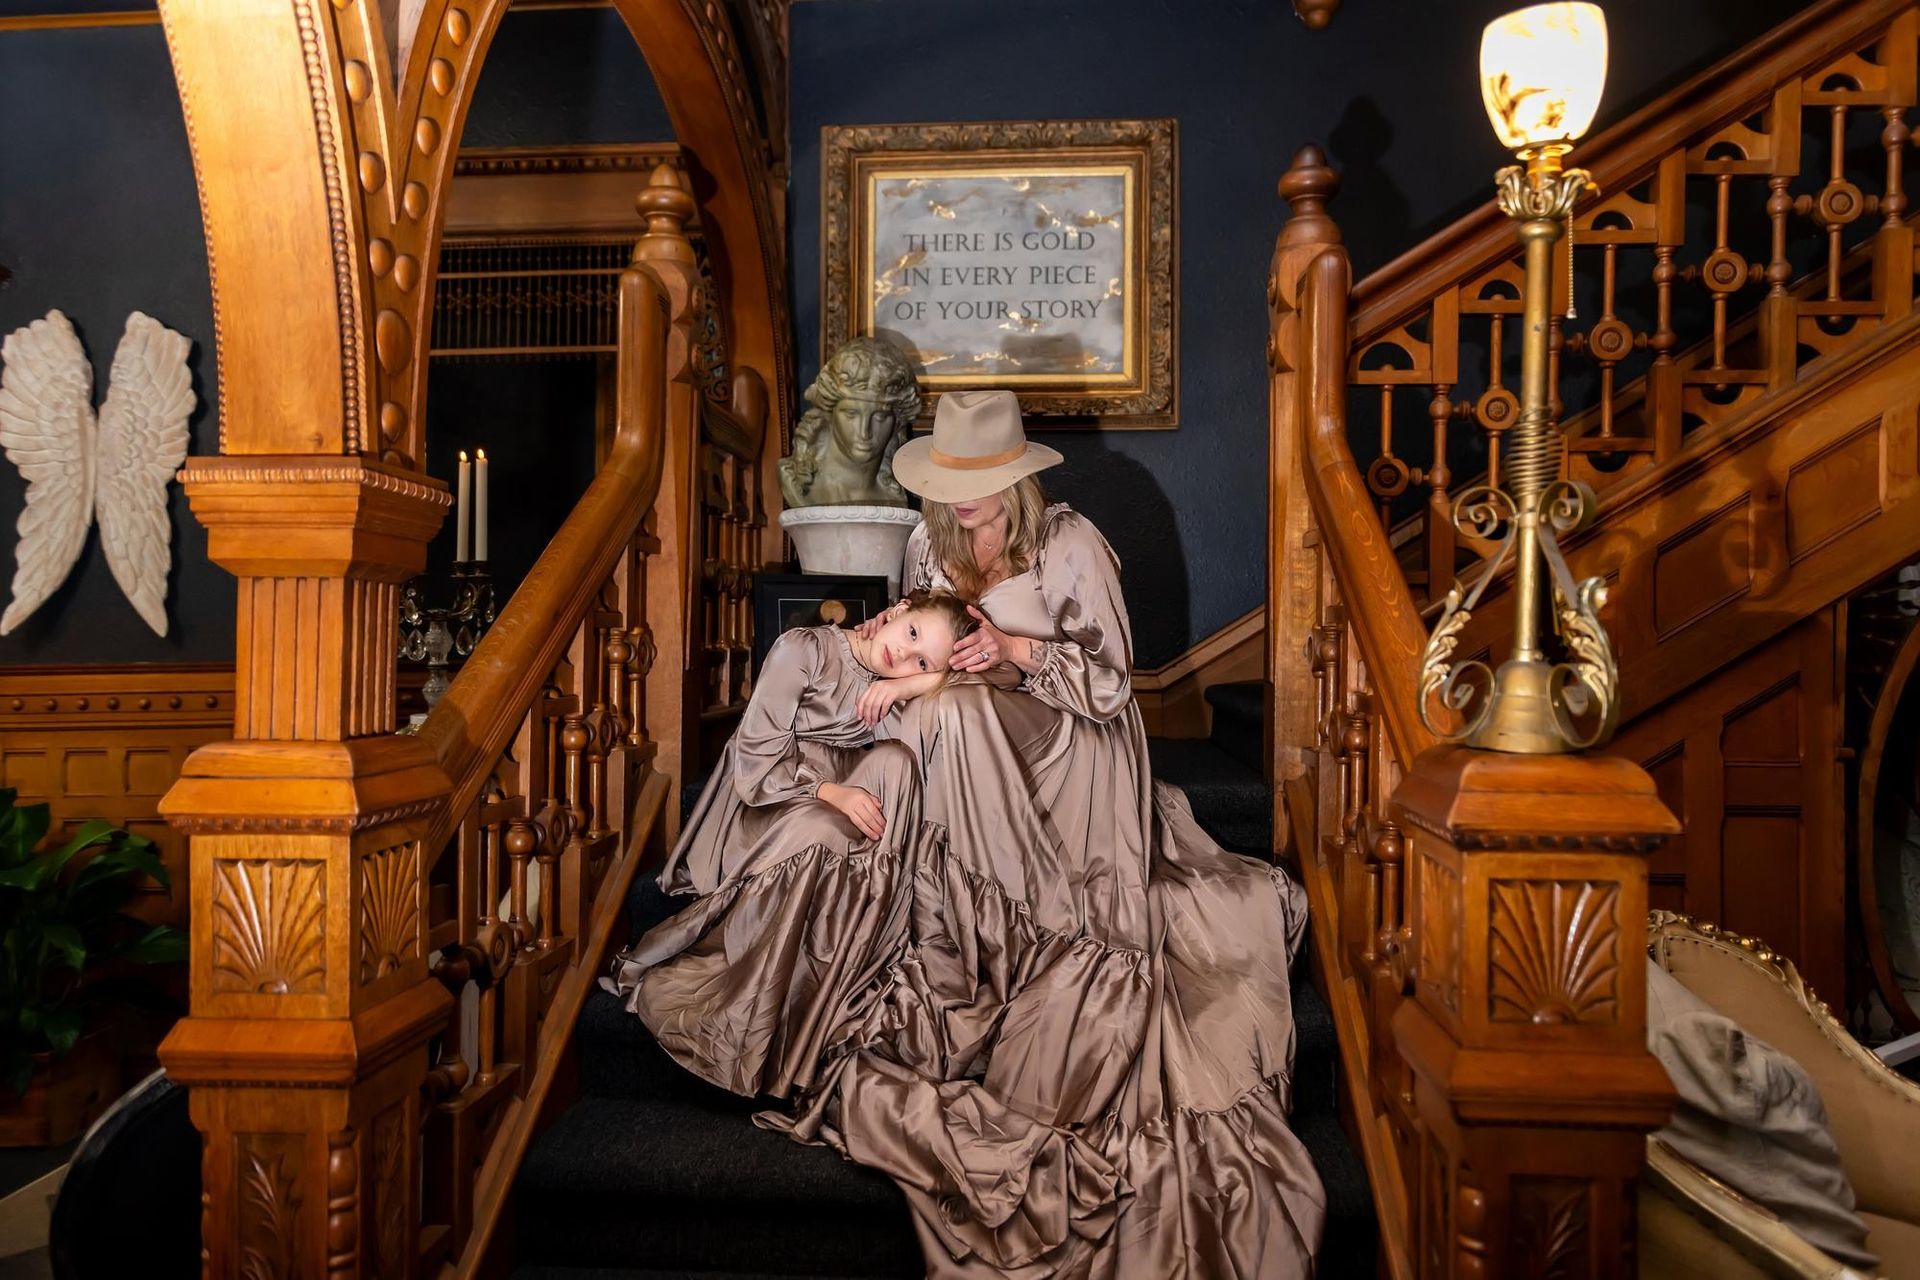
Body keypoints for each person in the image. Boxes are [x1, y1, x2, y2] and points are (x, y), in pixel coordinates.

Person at [787, 389, 1327, 1277]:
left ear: (1019, 478)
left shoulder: (1068, 544)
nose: (969, 496)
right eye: (954, 478)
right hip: (962, 733)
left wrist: (1012, 652)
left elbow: (1114, 690)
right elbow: (902, 647)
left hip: (1070, 739)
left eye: (987, 478)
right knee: (930, 719)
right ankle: (938, 922)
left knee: (950, 717)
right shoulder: (927, 544)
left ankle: (1006, 919)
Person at [602, 590, 976, 1099]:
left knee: (897, 763)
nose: (903, 656)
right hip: (768, 798)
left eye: (921, 659)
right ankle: (753, 1003)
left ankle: (854, 948)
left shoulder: (890, 685)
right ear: (898, 610)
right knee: (826, 830)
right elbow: (754, 762)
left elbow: (988, 680)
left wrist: (915, 683)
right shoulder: (804, 650)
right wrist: (830, 792)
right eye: (910, 635)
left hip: (834, 800)